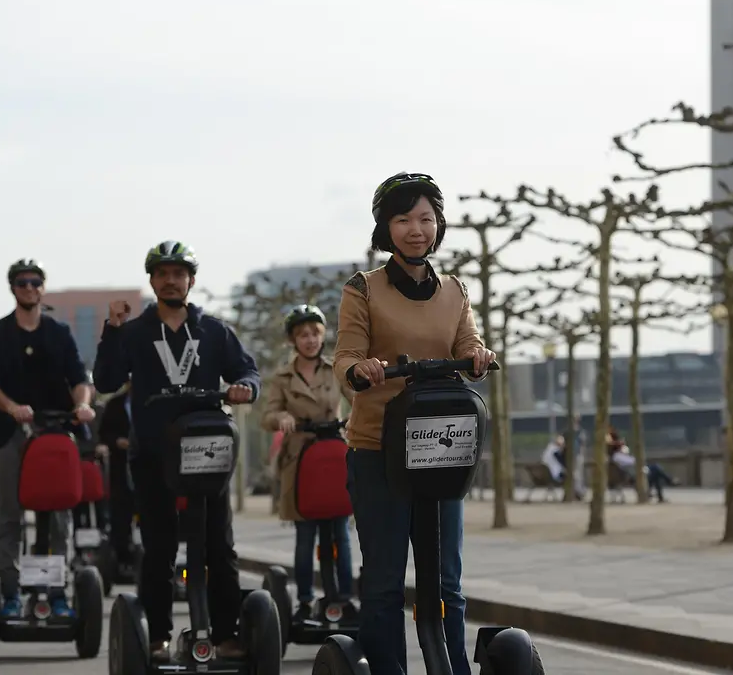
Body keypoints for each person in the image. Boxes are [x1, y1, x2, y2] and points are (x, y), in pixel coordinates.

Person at [334, 172, 496, 675]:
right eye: (403, 219)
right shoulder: (363, 289)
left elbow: (466, 342)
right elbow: (345, 358)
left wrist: (477, 354)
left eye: (425, 218)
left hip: (440, 446)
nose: (415, 229)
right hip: (378, 448)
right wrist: (361, 369)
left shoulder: (453, 290)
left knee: (446, 579)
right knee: (384, 580)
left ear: (438, 225)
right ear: (386, 228)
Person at [93, 240, 261, 662]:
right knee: (160, 548)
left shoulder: (214, 331)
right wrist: (111, 330)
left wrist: (246, 388)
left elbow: (246, 370)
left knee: (219, 547)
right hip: (152, 454)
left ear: (191, 281)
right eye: (163, 273)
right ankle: (157, 637)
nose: (171, 280)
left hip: (207, 454)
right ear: (152, 280)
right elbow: (107, 380)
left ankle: (225, 634)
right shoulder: (133, 332)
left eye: (179, 273)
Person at [0, 258, 95, 619]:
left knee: (58, 511)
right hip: (6, 432)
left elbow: (78, 376)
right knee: (5, 511)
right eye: (22, 282)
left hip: (54, 430)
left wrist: (84, 405)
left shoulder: (58, 332)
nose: (29, 288)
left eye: (35, 282)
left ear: (43, 287)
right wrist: (13, 408)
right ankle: (10, 592)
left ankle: (57, 593)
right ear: (12, 288)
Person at [261, 304, 354, 621]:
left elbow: (359, 400)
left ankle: (344, 597)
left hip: (333, 454)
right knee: (306, 534)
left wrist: (357, 418)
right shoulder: (282, 377)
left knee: (341, 531)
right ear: (293, 340)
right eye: (303, 334)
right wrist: (282, 417)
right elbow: (268, 416)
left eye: (315, 333)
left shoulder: (336, 369)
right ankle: (303, 600)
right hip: (300, 460)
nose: (310, 339)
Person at [96, 382, 135, 577]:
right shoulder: (116, 404)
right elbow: (104, 434)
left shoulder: (153, 401)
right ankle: (122, 559)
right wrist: (117, 441)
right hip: (121, 467)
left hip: (147, 464)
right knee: (121, 515)